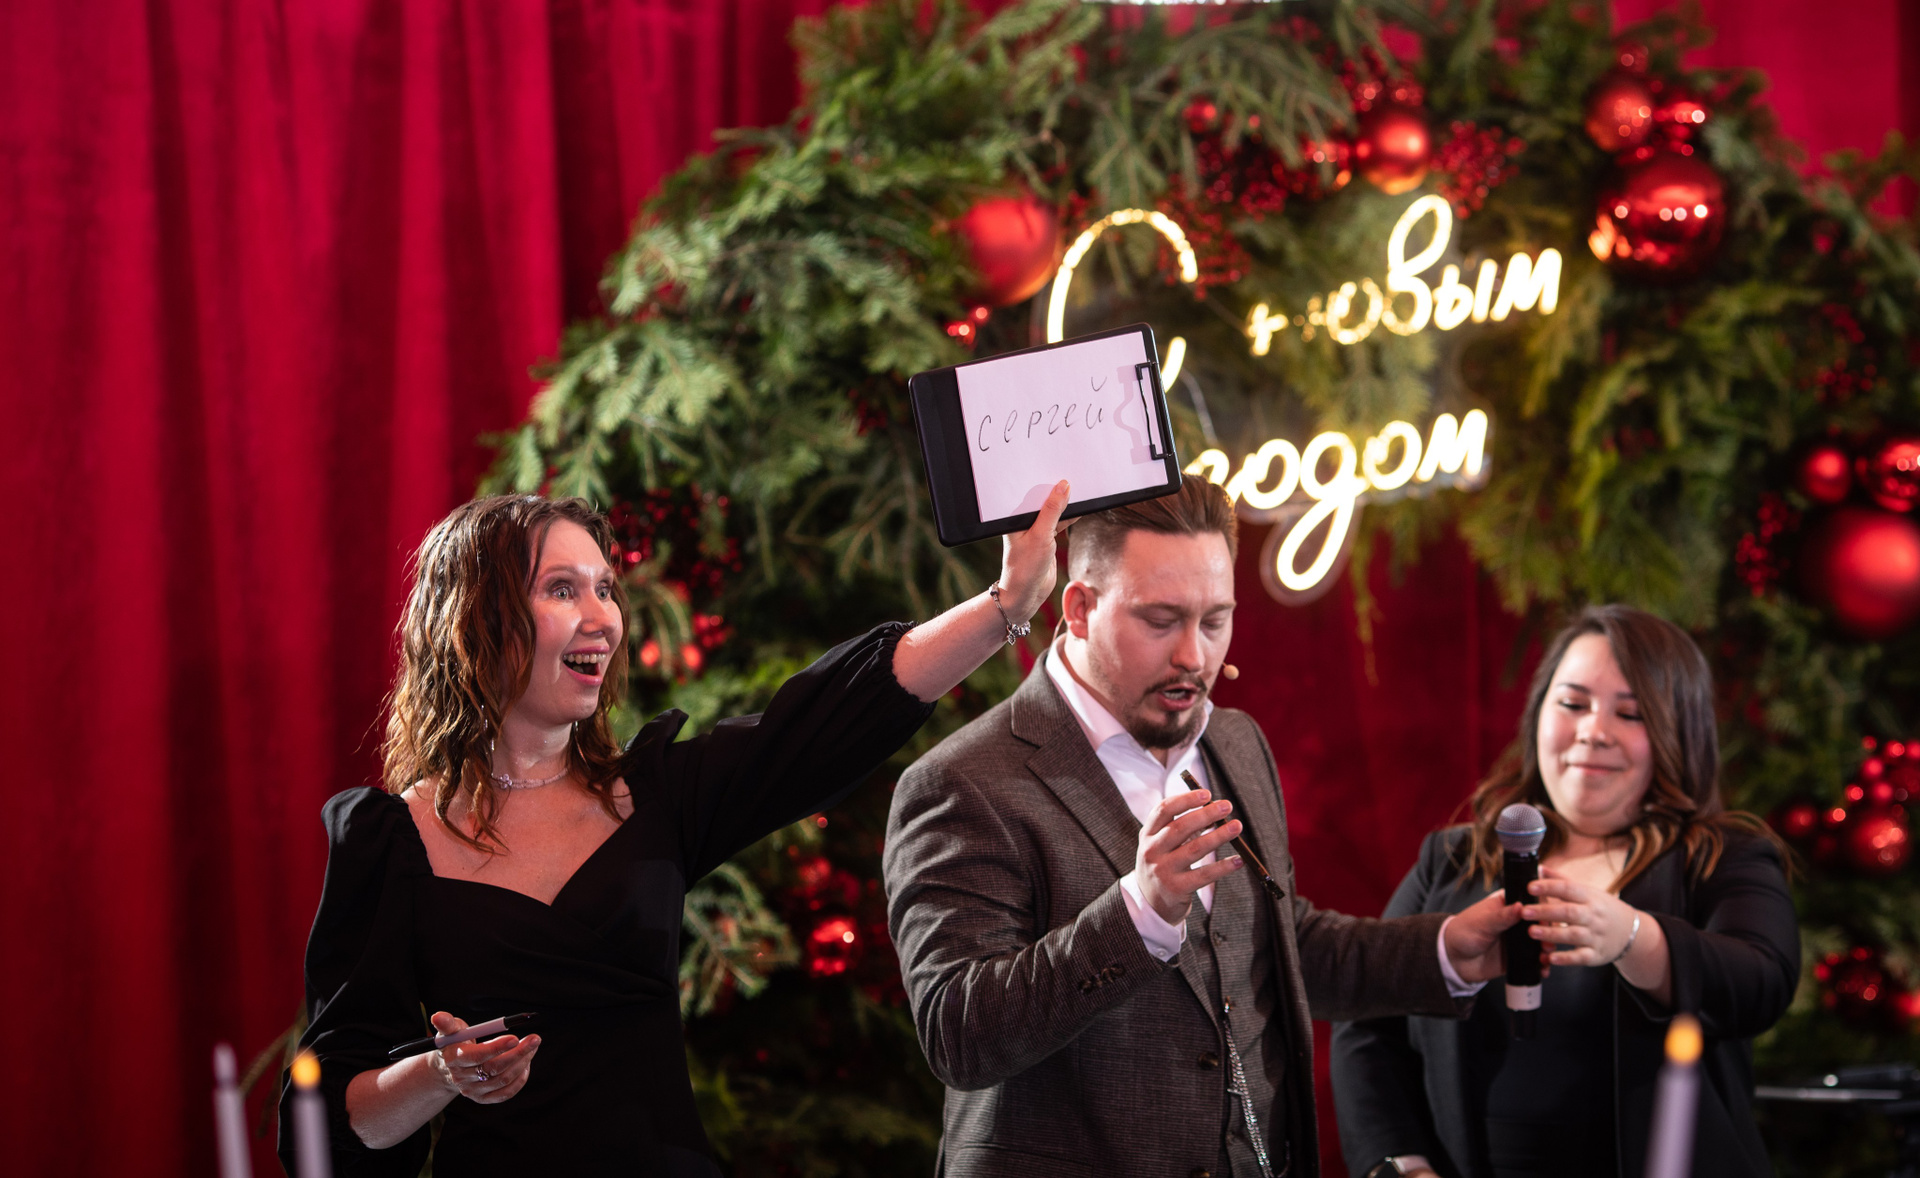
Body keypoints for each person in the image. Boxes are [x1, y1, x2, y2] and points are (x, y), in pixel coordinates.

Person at [277, 485, 1071, 1177]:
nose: (603, 619)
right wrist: (443, 1074)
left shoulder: (657, 794)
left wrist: (1007, 603)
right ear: (477, 620)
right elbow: (338, 1118)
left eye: (605, 588)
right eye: (562, 590)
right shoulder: (389, 841)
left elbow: (834, 715)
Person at [883, 474, 1524, 1178]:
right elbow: (959, 1036)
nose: (1194, 655)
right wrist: (1140, 911)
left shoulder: (1235, 741)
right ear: (1080, 608)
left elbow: (1274, 947)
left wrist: (1443, 953)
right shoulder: (961, 782)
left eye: (1215, 620)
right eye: (1161, 621)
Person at [1330, 605, 1799, 1178]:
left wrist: (1632, 937)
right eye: (1573, 704)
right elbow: (1367, 1024)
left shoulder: (1722, 858)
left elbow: (1761, 982)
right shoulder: (1453, 859)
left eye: (1630, 714)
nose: (1593, 732)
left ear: (1678, 733)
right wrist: (1401, 1166)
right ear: (1538, 714)